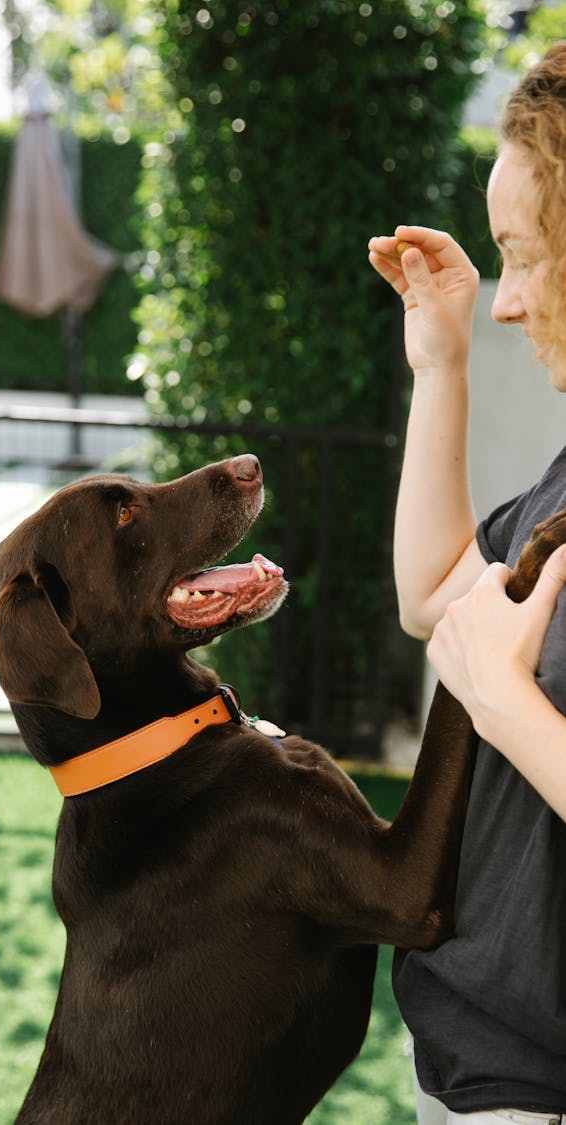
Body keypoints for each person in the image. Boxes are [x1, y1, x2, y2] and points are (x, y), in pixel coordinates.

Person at [367, 44, 566, 1125]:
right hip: (469, 1054)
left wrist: (503, 703)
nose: (505, 301)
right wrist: (438, 364)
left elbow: (482, 661)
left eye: (525, 256)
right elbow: (440, 594)